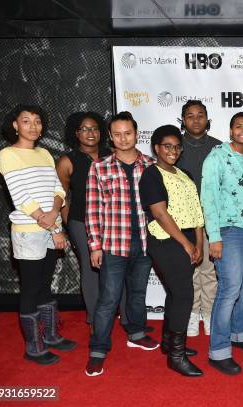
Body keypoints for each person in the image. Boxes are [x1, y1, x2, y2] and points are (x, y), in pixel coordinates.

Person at [0, 104, 76, 365]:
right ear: (15, 125)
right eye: (26, 121)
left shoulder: (44, 154)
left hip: (49, 228)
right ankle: (33, 347)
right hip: (28, 232)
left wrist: (56, 223)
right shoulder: (8, 154)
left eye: (37, 121)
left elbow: (58, 189)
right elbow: (21, 197)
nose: (33, 126)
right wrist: (50, 223)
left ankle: (52, 336)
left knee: (45, 284)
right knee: (31, 288)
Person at [85, 111, 158, 377]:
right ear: (110, 137)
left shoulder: (151, 165)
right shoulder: (99, 167)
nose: (123, 138)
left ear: (137, 134)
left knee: (138, 293)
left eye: (128, 133)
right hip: (113, 244)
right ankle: (97, 350)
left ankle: (136, 333)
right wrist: (94, 245)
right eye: (117, 134)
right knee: (108, 299)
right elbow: (93, 209)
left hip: (145, 243)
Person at [201, 112, 243, 375]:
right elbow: (209, 198)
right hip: (228, 232)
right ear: (230, 131)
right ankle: (218, 350)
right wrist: (214, 237)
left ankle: (239, 334)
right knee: (229, 290)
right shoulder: (216, 157)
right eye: (239, 126)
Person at [139, 125, 205, 377]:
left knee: (176, 292)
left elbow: (196, 211)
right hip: (167, 241)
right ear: (156, 147)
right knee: (184, 294)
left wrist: (198, 242)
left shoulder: (184, 173)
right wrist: (187, 244)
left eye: (177, 146)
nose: (173, 150)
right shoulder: (151, 175)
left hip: (188, 238)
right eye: (167, 146)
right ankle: (176, 357)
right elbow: (159, 213)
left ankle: (169, 344)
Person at [56, 112, 117, 331]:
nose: (91, 133)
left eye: (95, 129)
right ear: (76, 133)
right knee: (91, 269)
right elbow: (61, 198)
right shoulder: (67, 161)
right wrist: (70, 229)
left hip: (112, 222)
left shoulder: (111, 155)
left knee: (114, 268)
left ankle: (117, 313)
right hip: (81, 222)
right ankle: (95, 320)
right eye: (85, 129)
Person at [176, 100, 221, 337]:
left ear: (207, 118)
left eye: (200, 115)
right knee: (190, 271)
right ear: (183, 119)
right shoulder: (174, 146)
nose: (195, 120)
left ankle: (210, 314)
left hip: (211, 220)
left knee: (209, 271)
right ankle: (192, 314)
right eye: (190, 115)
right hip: (182, 222)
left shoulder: (219, 148)